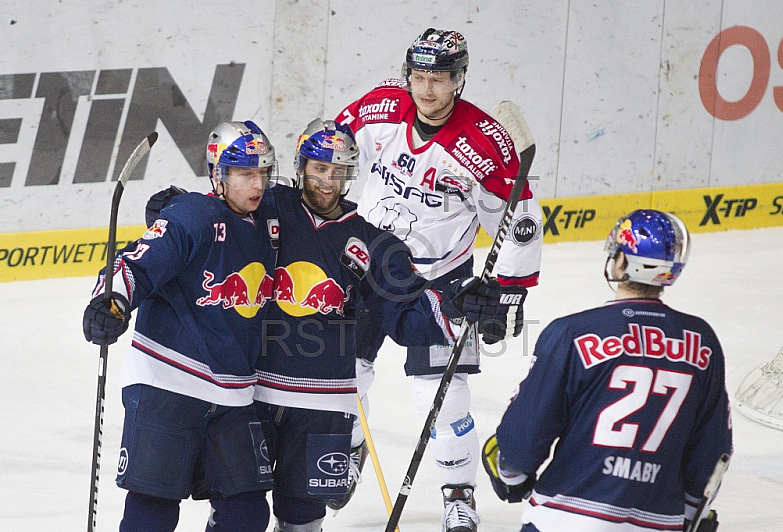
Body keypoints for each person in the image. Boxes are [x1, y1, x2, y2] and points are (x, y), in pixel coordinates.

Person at [142, 118, 525, 532]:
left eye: (339, 170)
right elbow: (212, 215)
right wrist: (175, 209)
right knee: (240, 515)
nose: (328, 181)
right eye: (319, 168)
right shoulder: (266, 206)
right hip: (252, 396)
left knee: (303, 522)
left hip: (325, 404)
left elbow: (407, 309)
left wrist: (457, 305)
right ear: (300, 165)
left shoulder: (372, 243)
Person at [334, 27, 543, 530]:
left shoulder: (484, 144)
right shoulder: (380, 107)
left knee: (441, 395)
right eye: (420, 76)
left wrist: (505, 296)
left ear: (460, 79)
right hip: (365, 269)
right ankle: (350, 447)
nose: (427, 89)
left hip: (441, 282)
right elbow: (329, 154)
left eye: (440, 78)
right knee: (342, 376)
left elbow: (520, 226)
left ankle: (458, 493)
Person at [82, 120, 281, 532]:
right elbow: (135, 263)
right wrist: (112, 300)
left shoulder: (269, 225)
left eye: (262, 172)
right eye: (245, 173)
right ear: (217, 175)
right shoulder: (193, 216)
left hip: (233, 392)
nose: (256, 184)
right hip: (167, 382)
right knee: (152, 511)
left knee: (247, 513)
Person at [482, 209, 734, 532]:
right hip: (658, 524)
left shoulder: (570, 334)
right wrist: (692, 513)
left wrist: (510, 474)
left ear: (623, 263)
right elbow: (712, 453)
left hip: (562, 520)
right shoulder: (703, 343)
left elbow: (519, 444)